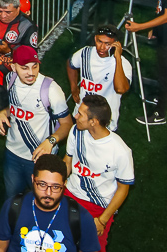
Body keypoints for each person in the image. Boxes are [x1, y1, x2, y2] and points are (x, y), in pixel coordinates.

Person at [0, 45, 74, 200]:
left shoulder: (51, 89)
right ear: (13, 67)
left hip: (40, 157)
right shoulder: (10, 80)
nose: (31, 73)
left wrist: (50, 142)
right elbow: (15, 106)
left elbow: (67, 123)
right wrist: (3, 113)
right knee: (12, 199)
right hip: (12, 153)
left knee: (41, 200)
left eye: (34, 66)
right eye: (24, 68)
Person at [63, 95, 134, 252]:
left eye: (80, 114)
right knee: (60, 241)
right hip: (70, 195)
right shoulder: (76, 131)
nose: (75, 116)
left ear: (93, 122)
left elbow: (123, 189)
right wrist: (58, 181)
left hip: (98, 207)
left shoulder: (121, 151)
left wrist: (102, 220)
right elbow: (67, 161)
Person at [0, 154, 101, 252]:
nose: (48, 193)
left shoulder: (81, 218)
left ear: (64, 184)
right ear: (33, 180)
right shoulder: (14, 207)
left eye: (56, 187)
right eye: (42, 184)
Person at [67, 25, 132, 131]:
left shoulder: (123, 64)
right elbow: (71, 64)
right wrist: (74, 87)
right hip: (81, 114)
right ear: (95, 39)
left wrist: (118, 59)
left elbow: (121, 89)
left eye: (108, 44)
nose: (102, 47)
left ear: (116, 44)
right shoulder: (85, 53)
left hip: (104, 120)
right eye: (99, 41)